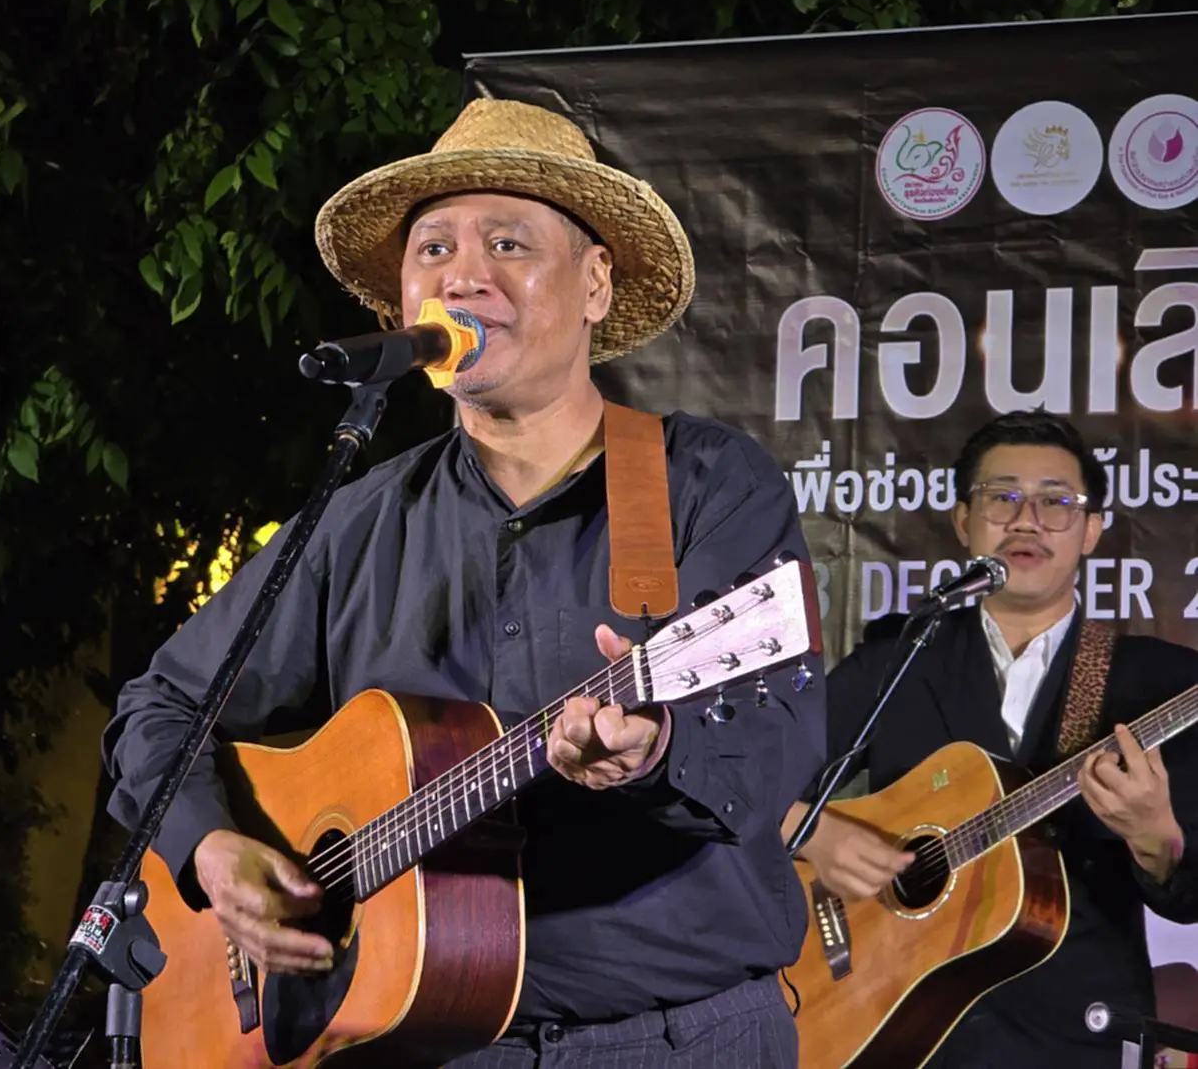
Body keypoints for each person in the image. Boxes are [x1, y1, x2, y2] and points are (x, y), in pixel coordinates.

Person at [102, 98, 825, 1067]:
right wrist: (212, 848)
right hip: (405, 1043)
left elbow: (772, 739)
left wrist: (654, 750)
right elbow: (161, 705)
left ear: (595, 283)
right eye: (433, 249)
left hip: (671, 1040)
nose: (463, 275)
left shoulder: (704, 482)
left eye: (507, 243)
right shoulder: (356, 519)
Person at [783, 410, 1198, 1067]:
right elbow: (754, 784)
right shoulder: (899, 659)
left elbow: (1188, 895)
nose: (1026, 520)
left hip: (1074, 1038)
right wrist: (812, 833)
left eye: (1055, 502)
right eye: (1001, 497)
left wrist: (1155, 837)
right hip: (902, 1031)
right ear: (963, 522)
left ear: (1091, 531)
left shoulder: (1162, 687)